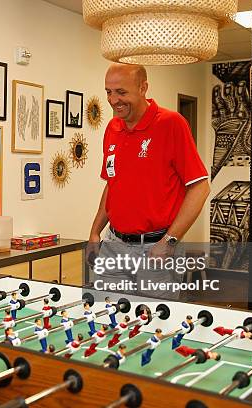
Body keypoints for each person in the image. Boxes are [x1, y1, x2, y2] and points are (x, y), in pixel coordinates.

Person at [88, 63, 210, 298]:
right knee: (108, 317)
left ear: (143, 87)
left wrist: (170, 241)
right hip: (114, 246)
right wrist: (95, 232)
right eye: (108, 92)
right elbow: (112, 184)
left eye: (121, 92)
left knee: (154, 324)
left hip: (156, 248)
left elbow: (200, 187)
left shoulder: (171, 123)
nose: (113, 100)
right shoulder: (113, 128)